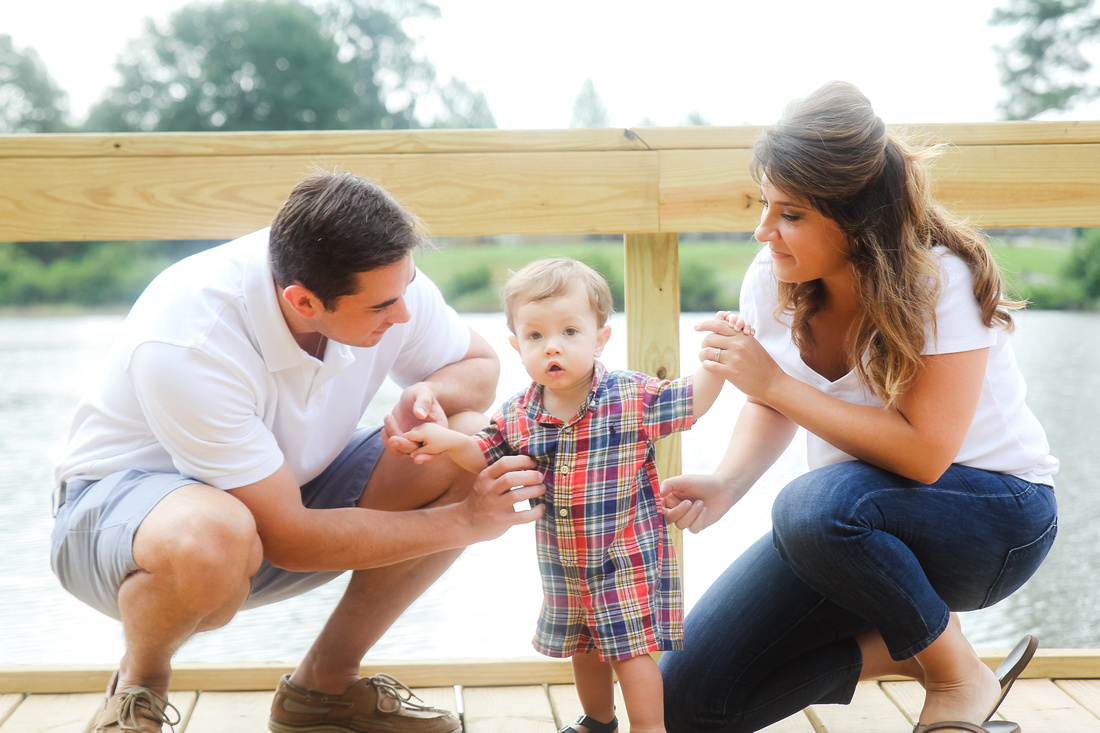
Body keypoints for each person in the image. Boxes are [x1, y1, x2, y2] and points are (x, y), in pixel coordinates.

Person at [50, 170, 545, 733]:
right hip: (120, 524)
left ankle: (324, 688)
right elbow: (288, 537)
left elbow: (479, 366)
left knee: (465, 436)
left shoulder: (377, 275)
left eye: (406, 289)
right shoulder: (189, 339)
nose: (404, 314)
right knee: (213, 535)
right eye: (384, 306)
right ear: (303, 301)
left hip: (277, 499)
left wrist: (428, 391)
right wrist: (467, 522)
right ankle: (139, 686)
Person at [658, 82, 1059, 733]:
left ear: (858, 218)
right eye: (765, 203)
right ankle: (913, 643)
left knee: (809, 504)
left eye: (790, 214)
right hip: (853, 532)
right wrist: (727, 483)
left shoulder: (941, 279)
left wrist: (777, 385)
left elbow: (925, 454)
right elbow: (772, 396)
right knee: (686, 700)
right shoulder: (773, 277)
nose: (765, 231)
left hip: (996, 522)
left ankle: (957, 671)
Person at [388, 257, 725, 733]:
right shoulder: (519, 413)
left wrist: (717, 361)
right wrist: (444, 442)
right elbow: (483, 453)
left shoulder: (628, 397)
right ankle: (598, 721)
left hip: (624, 557)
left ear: (599, 338)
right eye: (536, 336)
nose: (553, 347)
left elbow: (691, 400)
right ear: (516, 345)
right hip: (564, 565)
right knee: (583, 649)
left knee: (629, 653)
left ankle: (649, 727)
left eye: (570, 332)